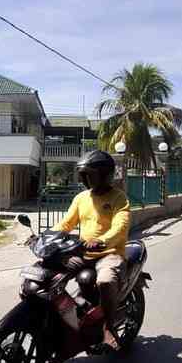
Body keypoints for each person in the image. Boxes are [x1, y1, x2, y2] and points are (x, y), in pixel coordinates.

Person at [53, 150, 130, 352]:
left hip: (109, 252)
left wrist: (102, 240)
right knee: (53, 273)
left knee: (105, 280)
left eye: (90, 174)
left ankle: (108, 327)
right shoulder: (81, 198)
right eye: (84, 174)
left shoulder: (118, 198)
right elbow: (66, 224)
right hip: (83, 252)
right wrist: (47, 236)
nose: (86, 179)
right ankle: (65, 320)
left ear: (105, 175)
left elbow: (120, 227)